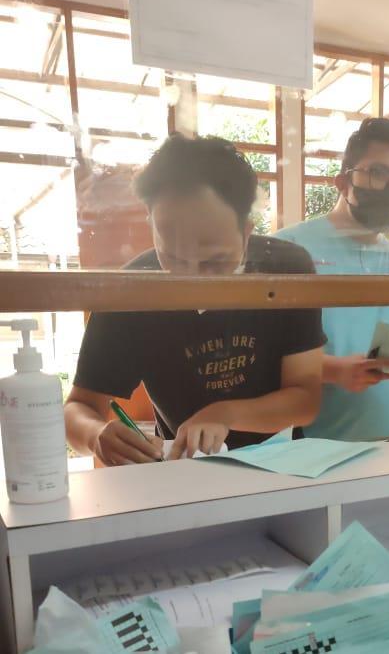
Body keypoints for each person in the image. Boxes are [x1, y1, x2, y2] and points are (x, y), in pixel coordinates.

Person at [65, 135, 325, 465]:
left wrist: (223, 413)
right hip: (184, 470)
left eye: (214, 260)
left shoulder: (285, 269)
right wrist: (96, 435)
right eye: (173, 257)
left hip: (280, 465)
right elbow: (78, 408)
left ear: (245, 231)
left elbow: (304, 400)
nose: (193, 277)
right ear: (152, 224)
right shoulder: (132, 291)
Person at [277, 117, 389, 440]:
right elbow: (259, 354)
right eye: (378, 173)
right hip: (311, 453)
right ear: (343, 181)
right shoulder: (289, 251)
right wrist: (332, 370)